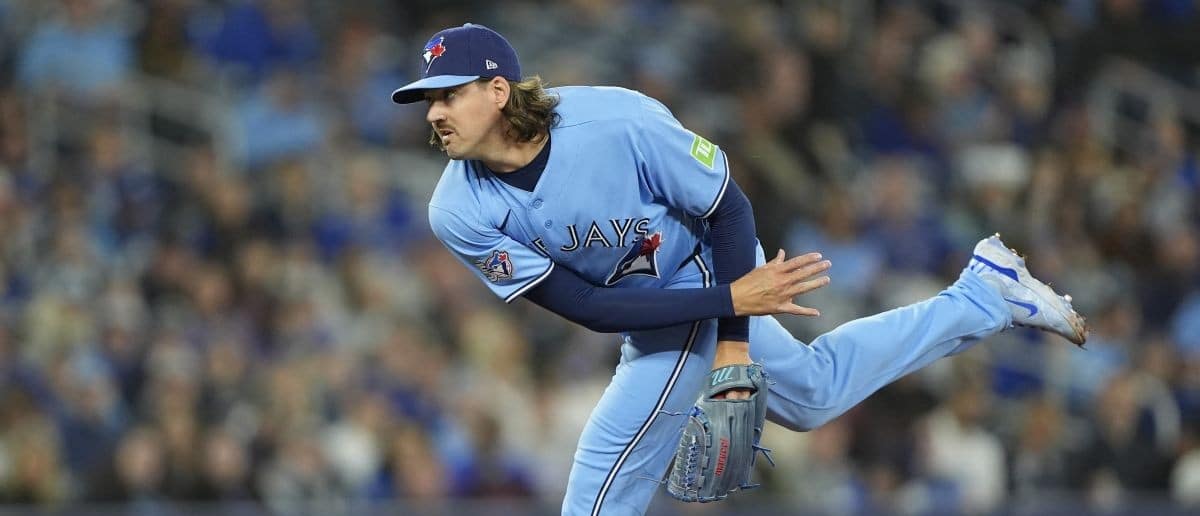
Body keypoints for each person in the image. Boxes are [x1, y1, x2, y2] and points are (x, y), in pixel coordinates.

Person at [390, 23, 1087, 516]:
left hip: (710, 261)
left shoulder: (616, 121)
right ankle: (984, 293)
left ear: (498, 91)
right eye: (430, 100)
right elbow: (590, 310)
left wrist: (729, 338)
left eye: (449, 95)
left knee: (600, 481)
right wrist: (733, 308)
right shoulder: (457, 209)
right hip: (684, 298)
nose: (436, 114)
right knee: (812, 394)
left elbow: (728, 207)